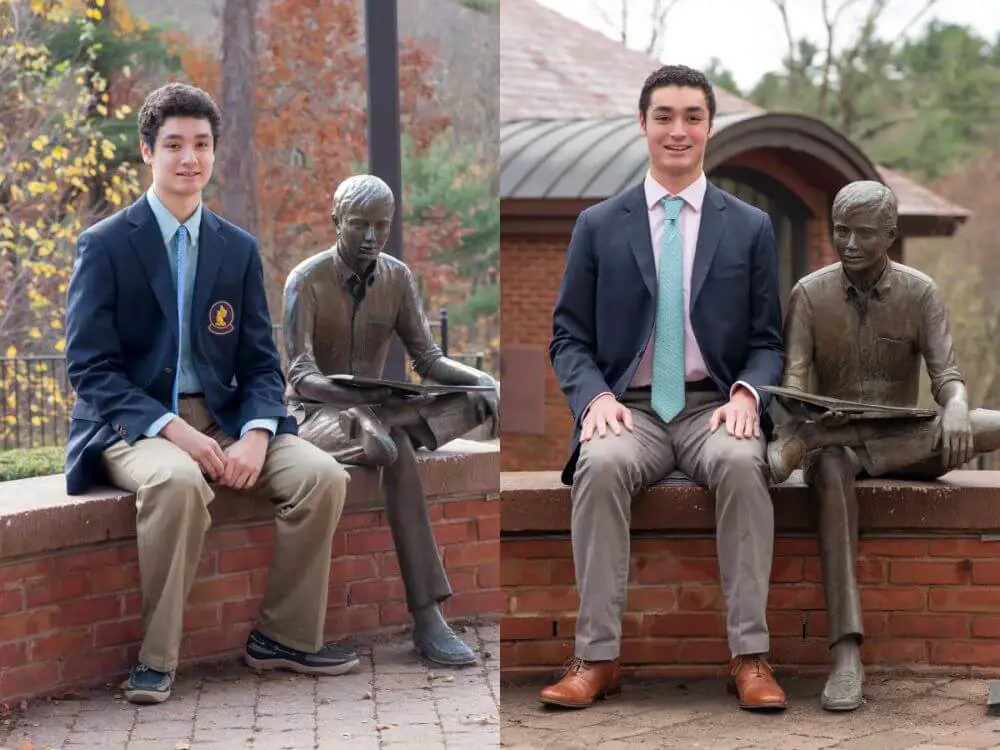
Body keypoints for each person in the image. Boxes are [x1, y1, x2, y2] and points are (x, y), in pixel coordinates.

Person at [64, 83, 355, 706]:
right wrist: (174, 428)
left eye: (201, 144)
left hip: (226, 419)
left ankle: (283, 638)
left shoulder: (236, 248)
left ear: (215, 153)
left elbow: (259, 363)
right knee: (177, 483)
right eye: (174, 145)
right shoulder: (106, 245)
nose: (188, 158)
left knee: (322, 475)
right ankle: (156, 659)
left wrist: (257, 433)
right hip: (133, 427)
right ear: (148, 152)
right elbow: (89, 369)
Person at [543, 65, 786, 711]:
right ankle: (596, 659)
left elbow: (769, 341)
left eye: (692, 117)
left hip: (714, 408)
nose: (678, 131)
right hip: (633, 409)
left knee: (744, 465)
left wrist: (747, 397)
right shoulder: (598, 225)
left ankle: (751, 658)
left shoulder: (751, 227)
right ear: (643, 125)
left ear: (709, 128)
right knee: (598, 466)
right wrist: (594, 399)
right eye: (664, 117)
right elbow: (568, 337)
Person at [767, 179, 1000, 711]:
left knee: (989, 422)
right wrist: (804, 416)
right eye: (840, 230)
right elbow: (794, 387)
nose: (847, 243)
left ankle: (816, 444)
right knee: (827, 466)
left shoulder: (921, 292)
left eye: (863, 234)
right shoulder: (809, 294)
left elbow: (947, 375)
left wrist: (958, 406)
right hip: (837, 452)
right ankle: (846, 654)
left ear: (891, 234)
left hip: (907, 442)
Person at [281, 173, 499, 667]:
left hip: (382, 410)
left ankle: (385, 429)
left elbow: (429, 358)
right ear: (336, 222)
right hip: (319, 413)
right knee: (390, 445)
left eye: (380, 226)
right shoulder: (305, 281)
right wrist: (356, 401)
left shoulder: (397, 277)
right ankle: (427, 619)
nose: (370, 237)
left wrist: (486, 384)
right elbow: (301, 375)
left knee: (464, 402)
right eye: (359, 225)